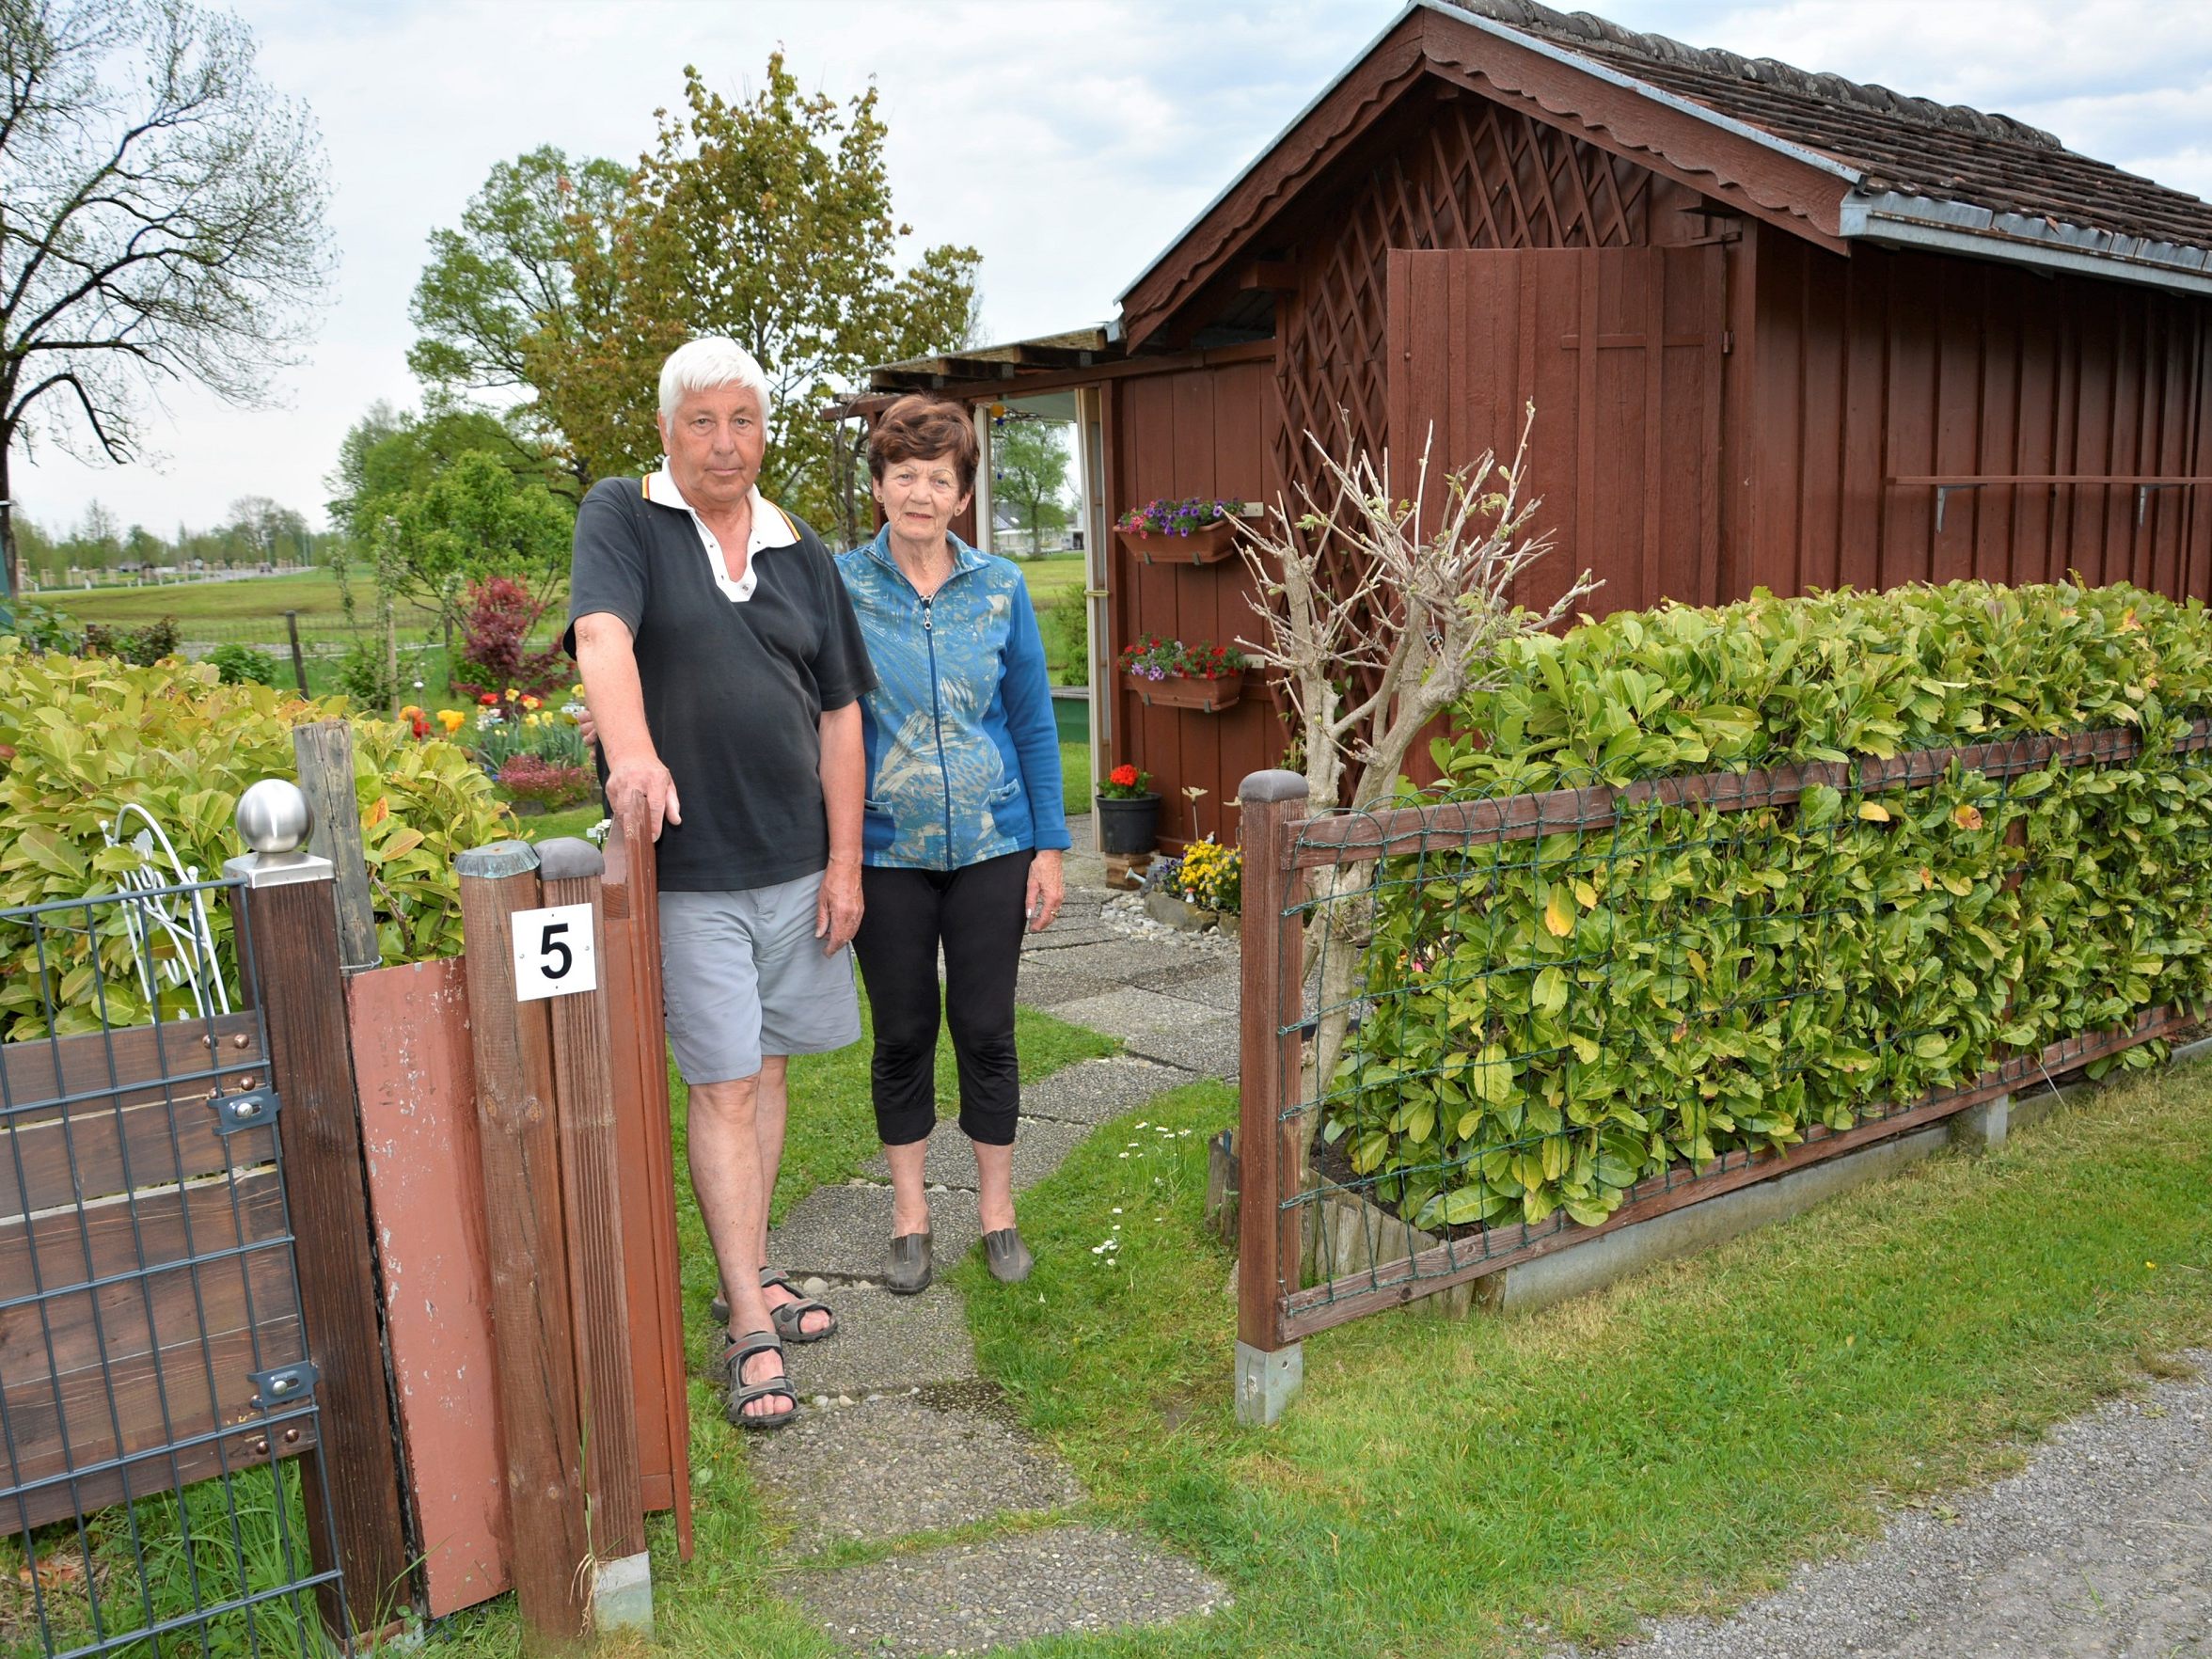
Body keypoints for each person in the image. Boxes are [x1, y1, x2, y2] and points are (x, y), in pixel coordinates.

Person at [566, 337, 873, 1431]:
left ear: (764, 431)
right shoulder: (625, 516)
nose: (724, 443)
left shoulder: (802, 549)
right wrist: (633, 753)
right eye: (701, 420)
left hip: (798, 866)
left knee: (770, 1073)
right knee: (725, 1084)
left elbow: (841, 710)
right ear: (666, 431)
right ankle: (750, 1316)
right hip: (691, 872)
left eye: (742, 420)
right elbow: (602, 636)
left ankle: (750, 1264)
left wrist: (845, 861)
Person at [836, 394, 1069, 1293]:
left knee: (984, 1027)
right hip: (885, 851)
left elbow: (1034, 723)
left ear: (964, 495)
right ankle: (909, 1220)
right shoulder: (841, 585)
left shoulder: (1002, 588)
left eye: (941, 478)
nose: (922, 495)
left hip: (991, 846)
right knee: (901, 1033)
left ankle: (997, 1215)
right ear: (880, 487)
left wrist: (1048, 846)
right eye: (905, 477)